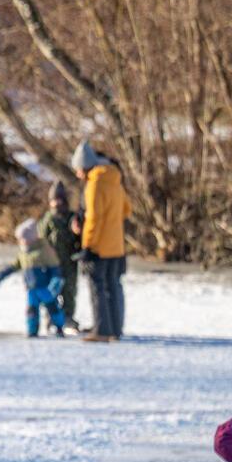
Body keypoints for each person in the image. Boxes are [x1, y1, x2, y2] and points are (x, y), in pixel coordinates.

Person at [71, 143, 127, 342]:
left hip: (99, 246)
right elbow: (126, 209)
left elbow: (94, 217)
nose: (77, 174)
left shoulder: (94, 184)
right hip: (117, 245)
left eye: (77, 169)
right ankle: (115, 329)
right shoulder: (114, 179)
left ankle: (102, 329)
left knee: (97, 286)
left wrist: (88, 245)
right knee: (113, 286)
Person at [0, 218, 66, 338]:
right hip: (31, 289)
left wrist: (55, 282)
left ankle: (59, 327)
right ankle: (32, 330)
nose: (21, 242)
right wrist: (0, 277)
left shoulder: (44, 250)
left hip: (45, 288)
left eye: (23, 239)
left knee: (53, 309)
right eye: (20, 239)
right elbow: (13, 266)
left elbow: (55, 268)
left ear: (32, 238)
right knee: (31, 311)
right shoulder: (23, 253)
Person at [39, 181, 82, 331]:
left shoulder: (71, 217)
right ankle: (52, 315)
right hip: (52, 263)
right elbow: (41, 239)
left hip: (69, 262)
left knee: (69, 291)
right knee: (52, 291)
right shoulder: (48, 220)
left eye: (60, 199)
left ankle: (68, 316)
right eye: (54, 200)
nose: (57, 203)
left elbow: (78, 237)